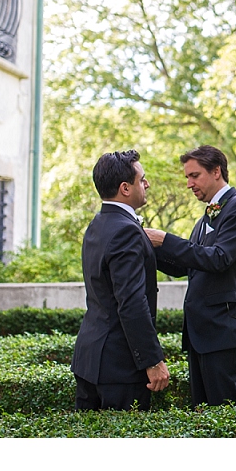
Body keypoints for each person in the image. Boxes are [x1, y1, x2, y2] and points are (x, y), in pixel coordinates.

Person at [146, 145, 236, 407]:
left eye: (194, 176)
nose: (189, 184)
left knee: (223, 414)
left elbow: (219, 258)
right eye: (187, 177)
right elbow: (186, 265)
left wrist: (165, 240)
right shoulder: (207, 215)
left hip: (222, 331)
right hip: (201, 334)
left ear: (216, 171)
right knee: (202, 413)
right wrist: (147, 249)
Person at [71, 150, 170, 411]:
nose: (146, 184)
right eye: (142, 180)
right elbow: (131, 303)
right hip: (119, 368)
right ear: (125, 188)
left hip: (89, 359)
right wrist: (152, 361)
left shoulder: (98, 223)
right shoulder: (126, 230)